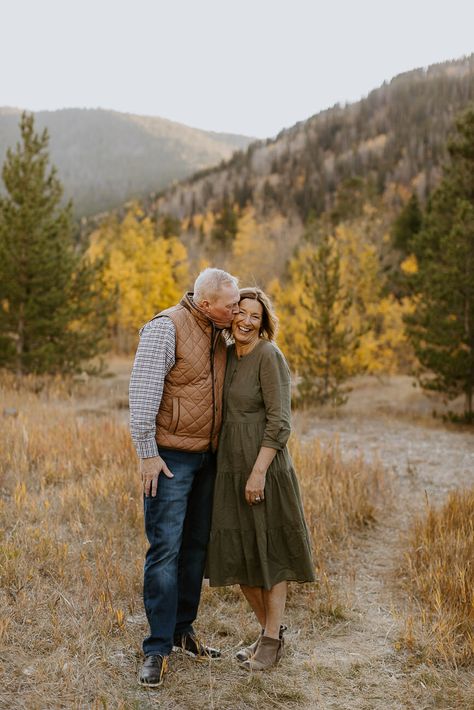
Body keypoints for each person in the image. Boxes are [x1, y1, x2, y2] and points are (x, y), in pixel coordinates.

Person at [129, 268, 240, 687]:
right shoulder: (166, 327)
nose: (236, 310)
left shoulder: (218, 331)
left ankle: (182, 631)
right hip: (170, 459)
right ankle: (156, 648)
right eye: (230, 305)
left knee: (195, 548)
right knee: (165, 551)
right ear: (206, 301)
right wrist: (147, 455)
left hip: (207, 459)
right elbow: (142, 393)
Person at [207, 287, 315, 671]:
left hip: (264, 468)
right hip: (229, 468)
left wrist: (258, 473)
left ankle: (269, 641)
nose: (246, 321)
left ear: (263, 321)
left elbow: (281, 423)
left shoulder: (269, 356)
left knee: (271, 555)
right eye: (241, 312)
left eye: (255, 315)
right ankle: (271, 633)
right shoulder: (227, 355)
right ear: (231, 316)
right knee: (239, 556)